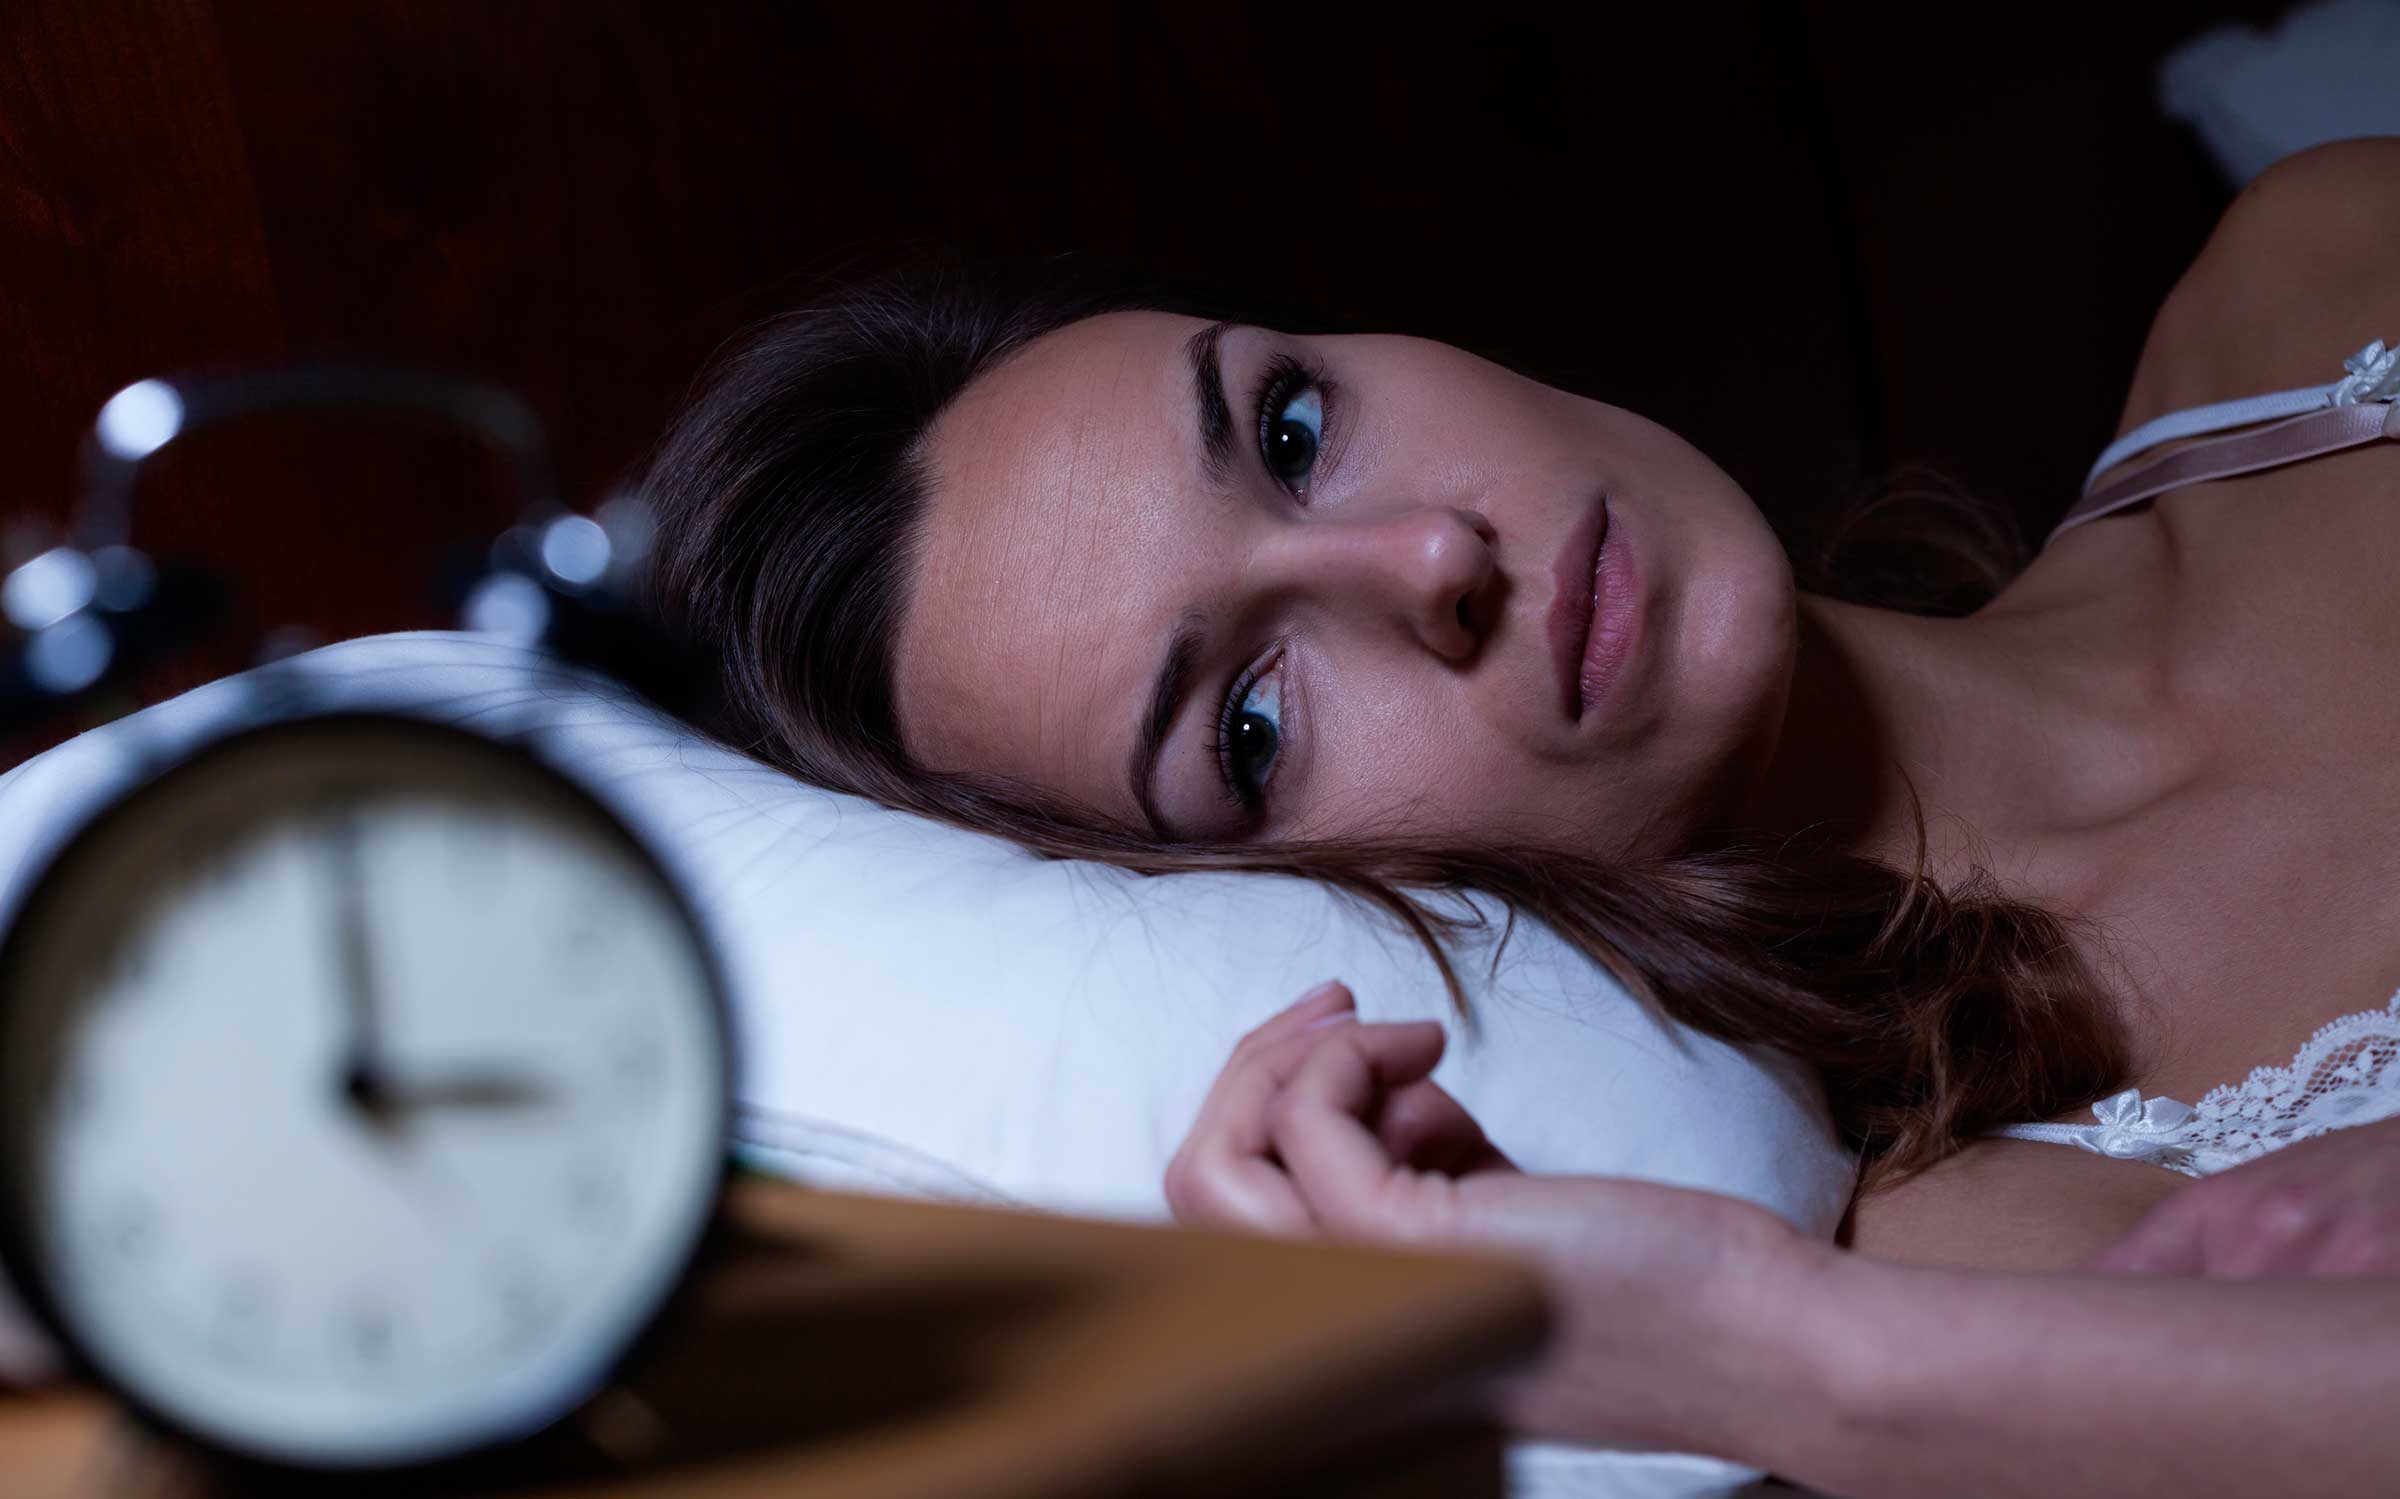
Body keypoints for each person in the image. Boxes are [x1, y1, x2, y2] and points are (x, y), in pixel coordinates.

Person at [638, 138, 2400, 1495]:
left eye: (1296, 425)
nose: (1427, 560)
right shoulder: (2012, 1254)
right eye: (1250, 726)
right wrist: (1776, 1360)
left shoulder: (2316, 288)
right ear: (1290, 898)